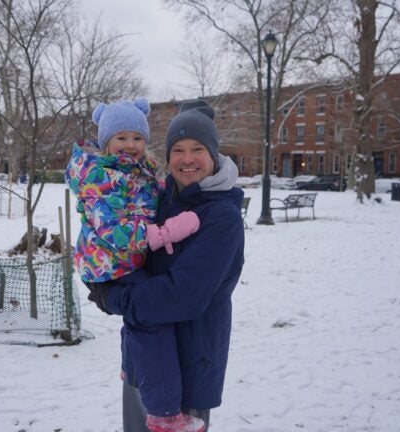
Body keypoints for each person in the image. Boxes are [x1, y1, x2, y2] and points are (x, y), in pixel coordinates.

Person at [88, 100, 246, 431]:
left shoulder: (221, 217)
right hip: (143, 360)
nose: (187, 159)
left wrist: (112, 297)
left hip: (189, 368)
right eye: (178, 149)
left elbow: (182, 297)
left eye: (197, 149)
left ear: (214, 154)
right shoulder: (159, 198)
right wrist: (99, 266)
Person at [65, 98, 205, 432]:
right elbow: (111, 228)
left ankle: (135, 369)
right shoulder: (100, 175)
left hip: (126, 261)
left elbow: (152, 195)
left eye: (137, 138)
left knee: (142, 318)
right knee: (151, 318)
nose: (131, 145)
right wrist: (163, 233)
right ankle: (163, 413)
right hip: (107, 263)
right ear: (106, 142)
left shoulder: (138, 171)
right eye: (122, 138)